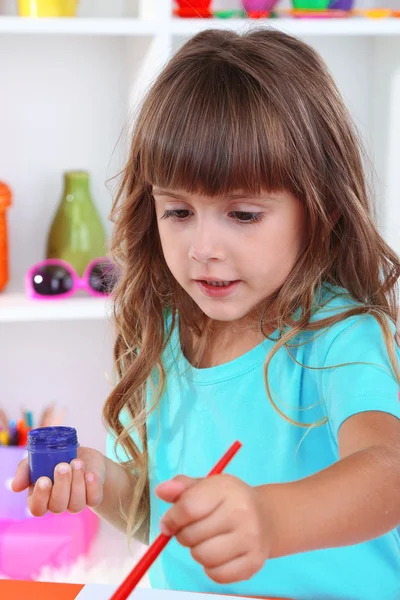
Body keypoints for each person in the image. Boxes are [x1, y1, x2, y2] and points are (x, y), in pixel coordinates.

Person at [12, 28, 400, 599]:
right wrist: (101, 481)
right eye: (178, 210)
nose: (203, 248)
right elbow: (158, 516)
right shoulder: (167, 331)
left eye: (242, 214)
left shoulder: (338, 336)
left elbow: (387, 469)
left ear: (321, 210)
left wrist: (269, 519)